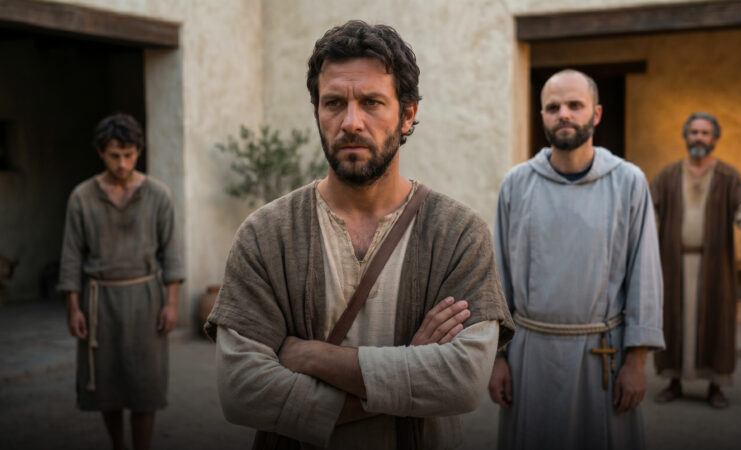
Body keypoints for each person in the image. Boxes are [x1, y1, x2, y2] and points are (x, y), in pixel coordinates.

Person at [204, 20, 514, 450]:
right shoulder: (266, 234)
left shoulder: (458, 234)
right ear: (317, 112)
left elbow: (462, 383)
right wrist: (408, 369)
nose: (351, 122)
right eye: (334, 103)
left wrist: (315, 357)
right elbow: (241, 391)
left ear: (408, 114)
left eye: (371, 102)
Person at [489, 69, 665, 449]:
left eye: (574, 105)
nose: (563, 114)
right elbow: (497, 277)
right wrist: (497, 358)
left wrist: (636, 363)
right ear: (542, 116)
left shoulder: (628, 182)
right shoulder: (517, 184)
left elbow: (644, 276)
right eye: (553, 107)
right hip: (530, 356)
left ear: (596, 114)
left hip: (602, 355)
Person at [57, 113, 183, 450]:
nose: (123, 163)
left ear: (138, 152)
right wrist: (73, 309)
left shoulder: (159, 195)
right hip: (99, 303)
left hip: (146, 300)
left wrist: (171, 305)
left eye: (129, 155)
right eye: (115, 155)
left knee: (145, 388)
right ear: (101, 152)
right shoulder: (81, 197)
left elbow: (171, 254)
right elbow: (70, 257)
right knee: (107, 387)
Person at [650, 112, 741, 409]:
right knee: (672, 321)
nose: (698, 138)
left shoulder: (728, 177)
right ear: (685, 137)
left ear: (715, 139)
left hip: (714, 267)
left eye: (705, 133)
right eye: (693, 132)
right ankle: (674, 381)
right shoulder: (668, 175)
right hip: (674, 264)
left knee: (716, 321)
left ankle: (715, 386)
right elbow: (647, 212)